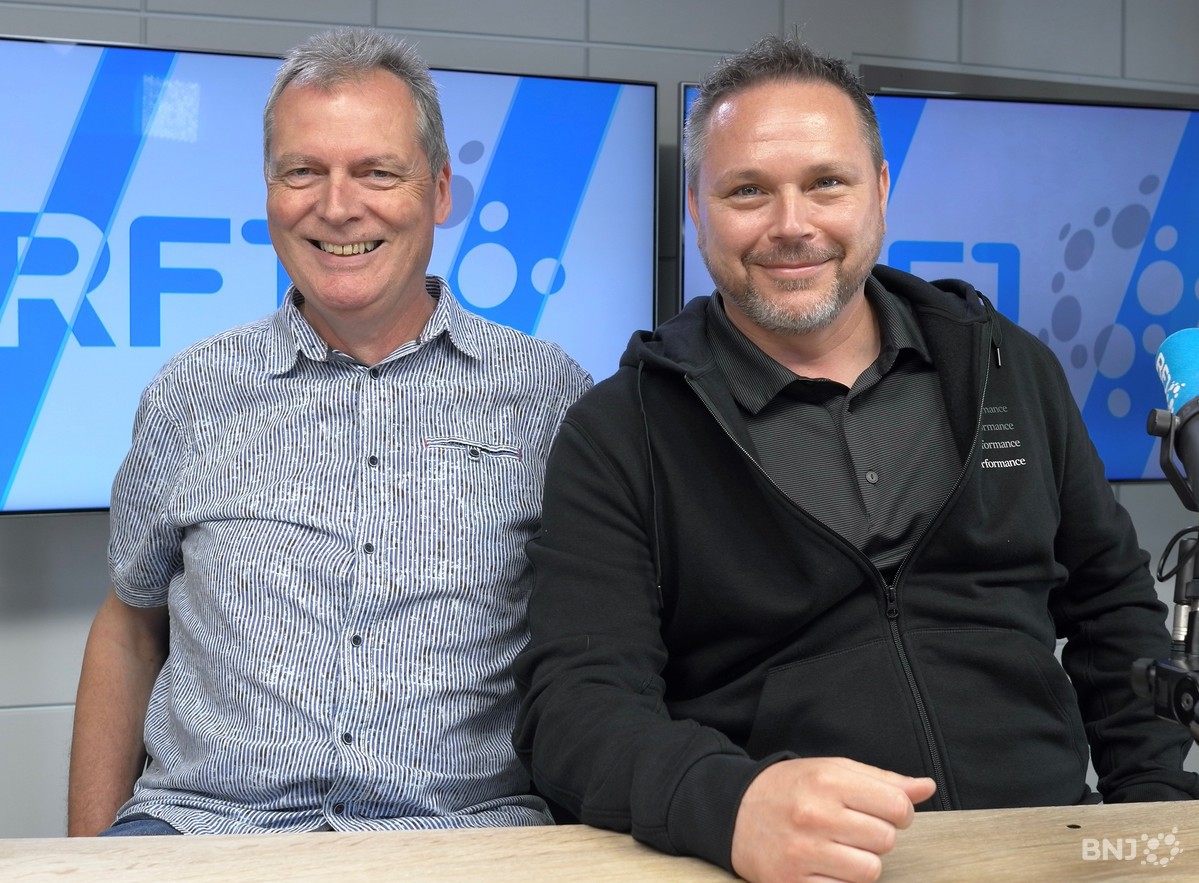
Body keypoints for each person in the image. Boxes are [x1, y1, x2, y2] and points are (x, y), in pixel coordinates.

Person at [512, 34, 1198, 883]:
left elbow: (1112, 611)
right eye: (747, 190)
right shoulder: (620, 430)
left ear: (879, 189)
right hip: (780, 869)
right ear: (696, 208)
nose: (791, 225)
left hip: (1040, 850)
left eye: (825, 183)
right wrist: (729, 805)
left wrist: (1152, 811)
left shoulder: (1007, 367)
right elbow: (574, 708)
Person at [67, 27, 590, 837]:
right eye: (302, 171)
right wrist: (92, 858)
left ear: (439, 191)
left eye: (377, 172)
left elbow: (601, 647)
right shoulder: (191, 392)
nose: (337, 206)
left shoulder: (548, 395)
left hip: (460, 836)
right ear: (269, 191)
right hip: (206, 831)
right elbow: (130, 628)